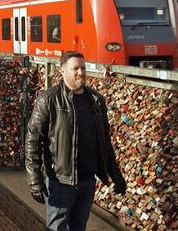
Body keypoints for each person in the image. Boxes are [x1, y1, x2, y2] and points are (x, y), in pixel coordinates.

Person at [25, 51, 127, 231]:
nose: (81, 72)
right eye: (76, 69)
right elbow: (32, 141)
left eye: (83, 68)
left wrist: (115, 174)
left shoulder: (96, 100)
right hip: (59, 182)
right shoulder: (48, 100)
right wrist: (34, 179)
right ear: (63, 71)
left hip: (87, 182)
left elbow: (104, 142)